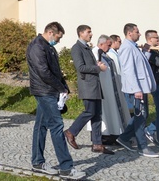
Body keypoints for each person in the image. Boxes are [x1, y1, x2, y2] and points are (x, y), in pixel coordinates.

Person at [27, 22, 84, 180]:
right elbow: (43, 72)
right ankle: (66, 167)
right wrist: (60, 87)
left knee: (41, 127)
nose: (58, 41)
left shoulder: (47, 46)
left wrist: (64, 87)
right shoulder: (37, 46)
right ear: (51, 32)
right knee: (57, 126)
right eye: (58, 37)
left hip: (50, 90)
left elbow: (55, 71)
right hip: (44, 91)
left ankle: (37, 162)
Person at [65, 25, 112, 154]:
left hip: (94, 85)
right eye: (88, 32)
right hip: (87, 86)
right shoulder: (77, 48)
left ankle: (97, 144)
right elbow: (80, 67)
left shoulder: (87, 47)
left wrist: (97, 64)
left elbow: (88, 65)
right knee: (90, 112)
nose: (91, 34)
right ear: (81, 33)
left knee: (97, 115)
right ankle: (71, 132)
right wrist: (98, 68)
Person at [116, 23, 159, 158]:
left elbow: (140, 65)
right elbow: (129, 70)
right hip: (136, 89)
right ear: (130, 33)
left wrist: (146, 52)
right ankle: (142, 146)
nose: (140, 34)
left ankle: (123, 138)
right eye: (137, 32)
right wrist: (136, 89)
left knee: (141, 116)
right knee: (140, 116)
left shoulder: (133, 47)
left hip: (140, 88)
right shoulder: (127, 48)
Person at [88, 35, 129, 144]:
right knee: (104, 114)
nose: (110, 47)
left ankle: (113, 134)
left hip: (111, 88)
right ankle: (103, 137)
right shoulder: (94, 54)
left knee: (112, 111)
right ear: (101, 44)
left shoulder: (104, 54)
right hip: (102, 89)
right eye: (108, 45)